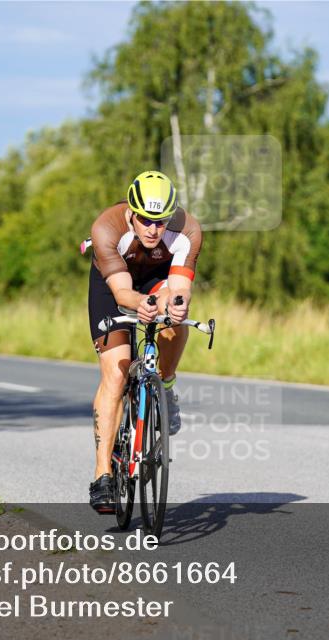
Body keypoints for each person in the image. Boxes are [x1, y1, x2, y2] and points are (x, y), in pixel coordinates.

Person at [85, 170, 202, 513]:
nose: (153, 229)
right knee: (116, 375)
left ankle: (164, 386)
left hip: (157, 279)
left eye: (161, 221)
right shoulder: (107, 228)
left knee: (176, 323)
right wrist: (140, 305)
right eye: (146, 220)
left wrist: (175, 305)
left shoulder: (189, 231)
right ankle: (103, 475)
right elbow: (122, 292)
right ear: (131, 213)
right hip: (114, 282)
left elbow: (180, 286)